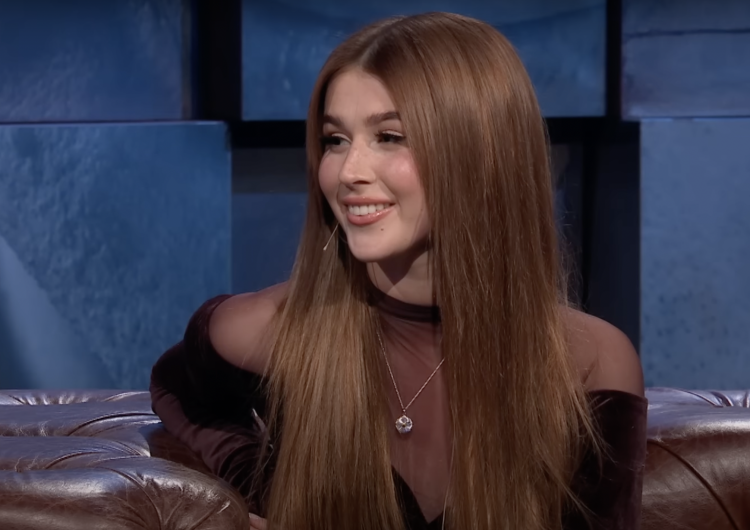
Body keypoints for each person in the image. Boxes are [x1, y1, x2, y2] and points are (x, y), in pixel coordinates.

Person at [150, 11, 647, 530]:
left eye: (389, 137)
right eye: (336, 140)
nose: (348, 172)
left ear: (481, 153)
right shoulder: (268, 331)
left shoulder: (590, 365)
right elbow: (177, 391)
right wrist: (259, 487)